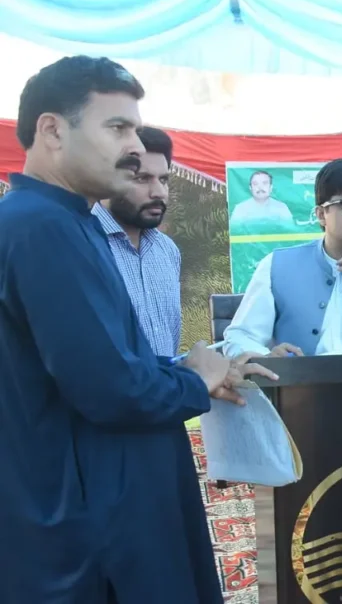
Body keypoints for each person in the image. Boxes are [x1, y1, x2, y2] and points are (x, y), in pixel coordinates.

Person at [0, 55, 275, 604]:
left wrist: (185, 370)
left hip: (97, 500)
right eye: (117, 127)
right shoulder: (42, 227)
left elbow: (100, 359)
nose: (133, 147)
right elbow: (110, 389)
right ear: (52, 130)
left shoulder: (63, 222)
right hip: (87, 522)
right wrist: (195, 380)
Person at [223, 158, 342, 358]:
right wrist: (268, 358)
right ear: (321, 214)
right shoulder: (276, 266)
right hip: (298, 378)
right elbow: (239, 337)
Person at [93, 126, 181, 355]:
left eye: (164, 179)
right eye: (142, 179)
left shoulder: (167, 250)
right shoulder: (81, 245)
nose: (159, 192)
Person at [228, 169, 293, 226]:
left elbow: (290, 230)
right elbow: (235, 230)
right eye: (255, 184)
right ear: (250, 188)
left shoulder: (282, 208)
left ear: (271, 187)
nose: (260, 187)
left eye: (264, 183)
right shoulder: (240, 209)